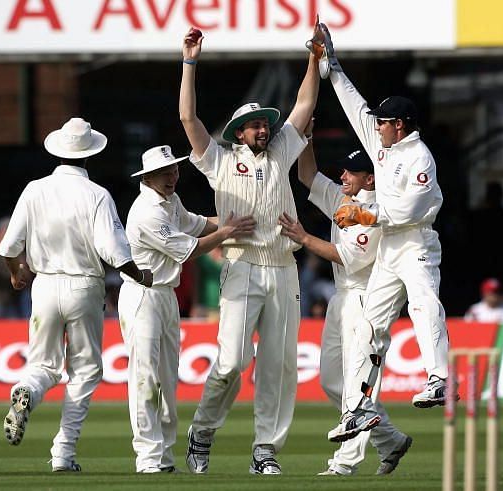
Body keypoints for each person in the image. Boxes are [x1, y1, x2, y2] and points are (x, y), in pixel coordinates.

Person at [179, 25, 320, 474]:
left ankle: (265, 451)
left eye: (264, 123)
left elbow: (305, 104)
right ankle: (202, 432)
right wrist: (189, 62)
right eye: (254, 125)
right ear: (239, 132)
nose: (263, 129)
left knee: (279, 365)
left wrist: (315, 59)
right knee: (234, 359)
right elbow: (188, 120)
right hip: (241, 264)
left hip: (283, 267)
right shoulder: (220, 160)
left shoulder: (281, 151)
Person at [312, 24, 450, 442]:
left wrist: (364, 216)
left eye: (385, 122)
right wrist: (331, 65)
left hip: (417, 243)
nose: (378, 127)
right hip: (390, 249)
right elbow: (357, 108)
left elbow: (410, 210)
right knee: (370, 326)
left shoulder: (420, 158)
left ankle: (439, 377)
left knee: (423, 304)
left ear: (402, 126)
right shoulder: (383, 145)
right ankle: (358, 407)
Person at [0, 117, 153, 472]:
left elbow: (9, 247)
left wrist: (17, 273)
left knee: (42, 365)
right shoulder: (97, 194)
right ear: (89, 155)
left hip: (45, 285)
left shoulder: (34, 189)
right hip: (84, 286)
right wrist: (140, 275)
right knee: (84, 371)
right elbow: (114, 251)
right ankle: (62, 454)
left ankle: (27, 390)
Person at [278, 120, 411, 476]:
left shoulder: (373, 213)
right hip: (341, 298)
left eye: (352, 172)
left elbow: (347, 257)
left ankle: (344, 463)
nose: (344, 176)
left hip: (368, 300)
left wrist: (304, 239)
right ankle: (391, 440)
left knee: (356, 387)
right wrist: (306, 137)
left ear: (370, 178)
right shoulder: (342, 197)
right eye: (345, 171)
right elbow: (307, 175)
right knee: (331, 381)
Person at [118, 145, 255, 474]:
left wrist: (237, 221)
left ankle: (164, 457)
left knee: (166, 378)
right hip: (141, 296)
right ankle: (148, 458)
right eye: (165, 173)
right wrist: (226, 233)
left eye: (175, 170)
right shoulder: (146, 212)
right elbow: (188, 249)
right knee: (145, 377)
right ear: (148, 177)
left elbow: (197, 224)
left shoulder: (171, 202)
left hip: (165, 296)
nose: (172, 177)